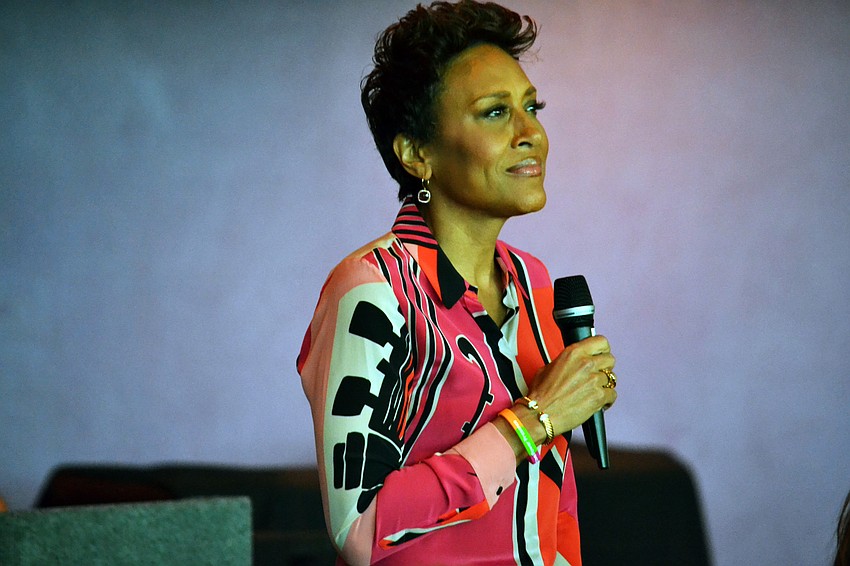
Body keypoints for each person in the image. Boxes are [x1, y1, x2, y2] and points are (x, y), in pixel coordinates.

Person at [296, 1, 618, 564]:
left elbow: (554, 504)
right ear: (416, 153)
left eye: (532, 107)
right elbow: (360, 531)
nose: (531, 134)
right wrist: (531, 421)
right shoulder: (373, 290)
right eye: (495, 112)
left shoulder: (532, 280)